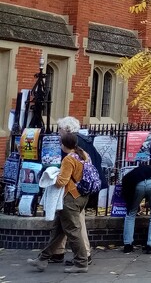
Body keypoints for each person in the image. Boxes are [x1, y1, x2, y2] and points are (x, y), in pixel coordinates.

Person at [28, 132, 91, 274]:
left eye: (61, 143)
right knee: (58, 230)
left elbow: (62, 181)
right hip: (81, 196)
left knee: (73, 231)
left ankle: (81, 262)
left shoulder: (69, 159)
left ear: (64, 145)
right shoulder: (83, 155)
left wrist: (50, 177)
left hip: (70, 198)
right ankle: (43, 259)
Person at [46, 117, 102, 267]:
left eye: (60, 129)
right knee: (64, 222)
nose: (58, 133)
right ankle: (57, 252)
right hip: (82, 188)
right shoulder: (85, 141)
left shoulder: (71, 145)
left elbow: (68, 171)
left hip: (74, 192)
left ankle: (85, 255)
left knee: (76, 222)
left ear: (67, 130)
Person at [121, 164, 151, 254]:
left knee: (130, 213)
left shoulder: (131, 175)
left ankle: (128, 245)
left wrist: (132, 204)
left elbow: (127, 191)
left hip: (137, 184)